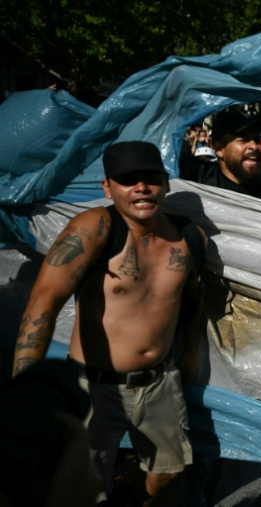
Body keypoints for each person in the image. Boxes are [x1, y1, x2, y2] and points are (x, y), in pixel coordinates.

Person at [12, 141, 206, 505]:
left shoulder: (188, 237)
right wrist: (26, 396)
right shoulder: (95, 227)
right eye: (128, 180)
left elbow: (194, 301)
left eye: (151, 178)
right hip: (94, 386)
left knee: (167, 474)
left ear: (166, 183)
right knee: (84, 488)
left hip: (159, 382)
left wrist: (189, 357)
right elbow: (43, 304)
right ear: (107, 188)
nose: (141, 188)